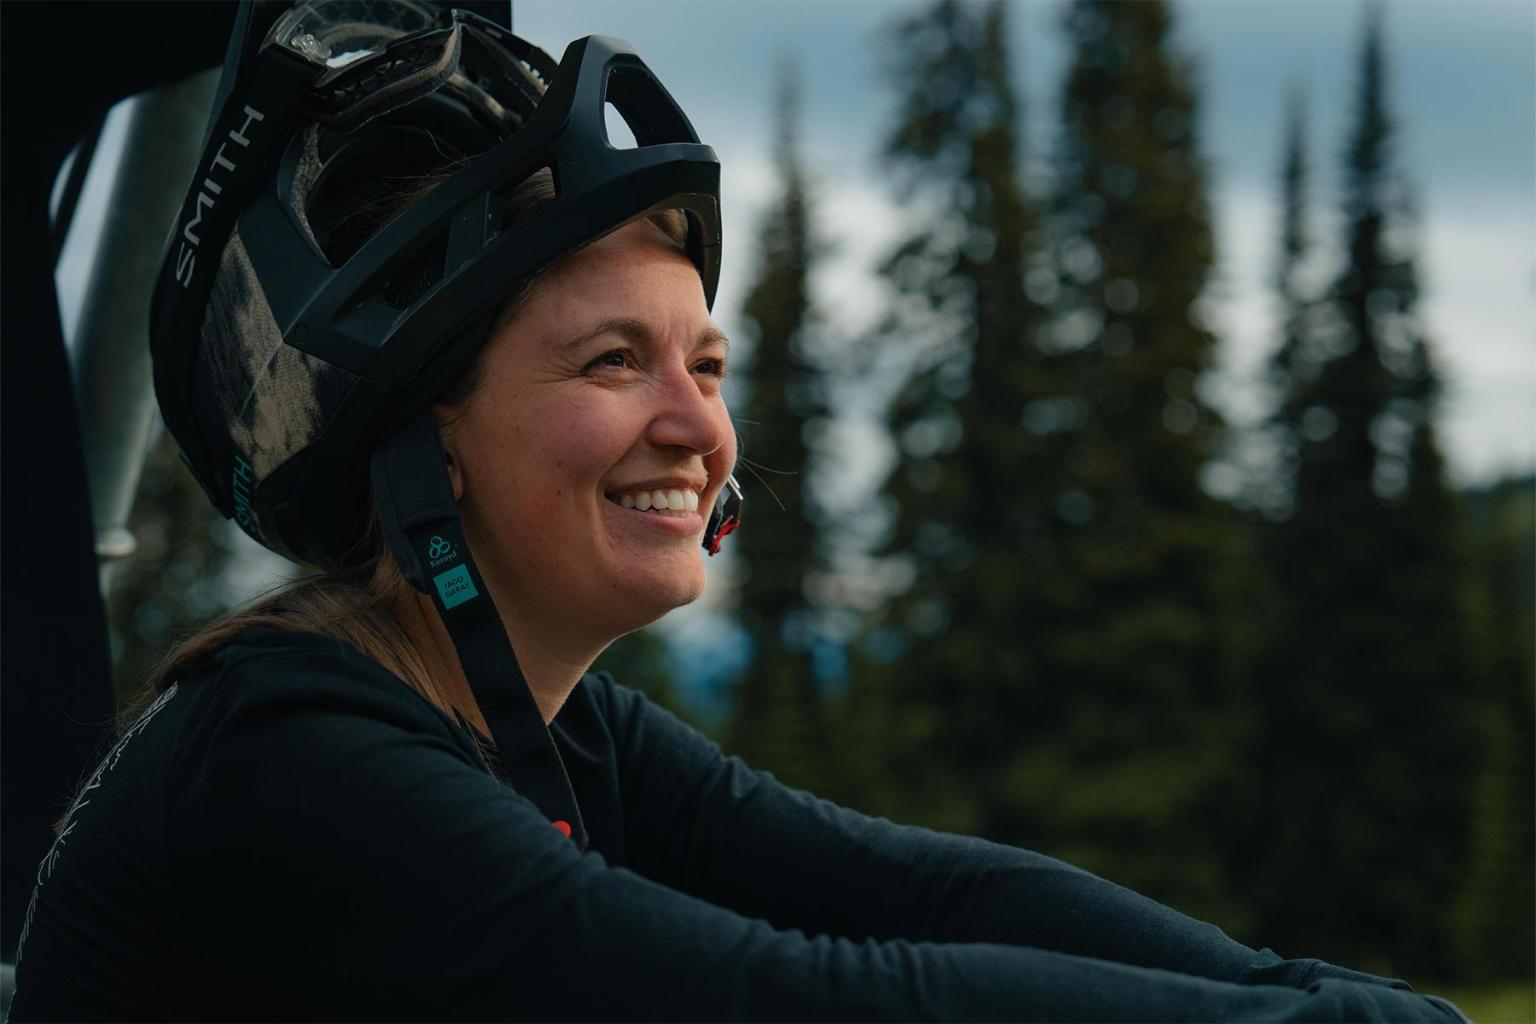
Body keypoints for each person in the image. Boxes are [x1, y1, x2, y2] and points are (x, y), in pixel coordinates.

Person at [7, 3, 1472, 1021]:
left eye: (707, 364)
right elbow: (766, 1001)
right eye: (612, 362)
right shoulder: (289, 758)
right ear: (427, 437)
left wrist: (1314, 997)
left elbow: (928, 899)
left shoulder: (559, 734)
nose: (696, 426)